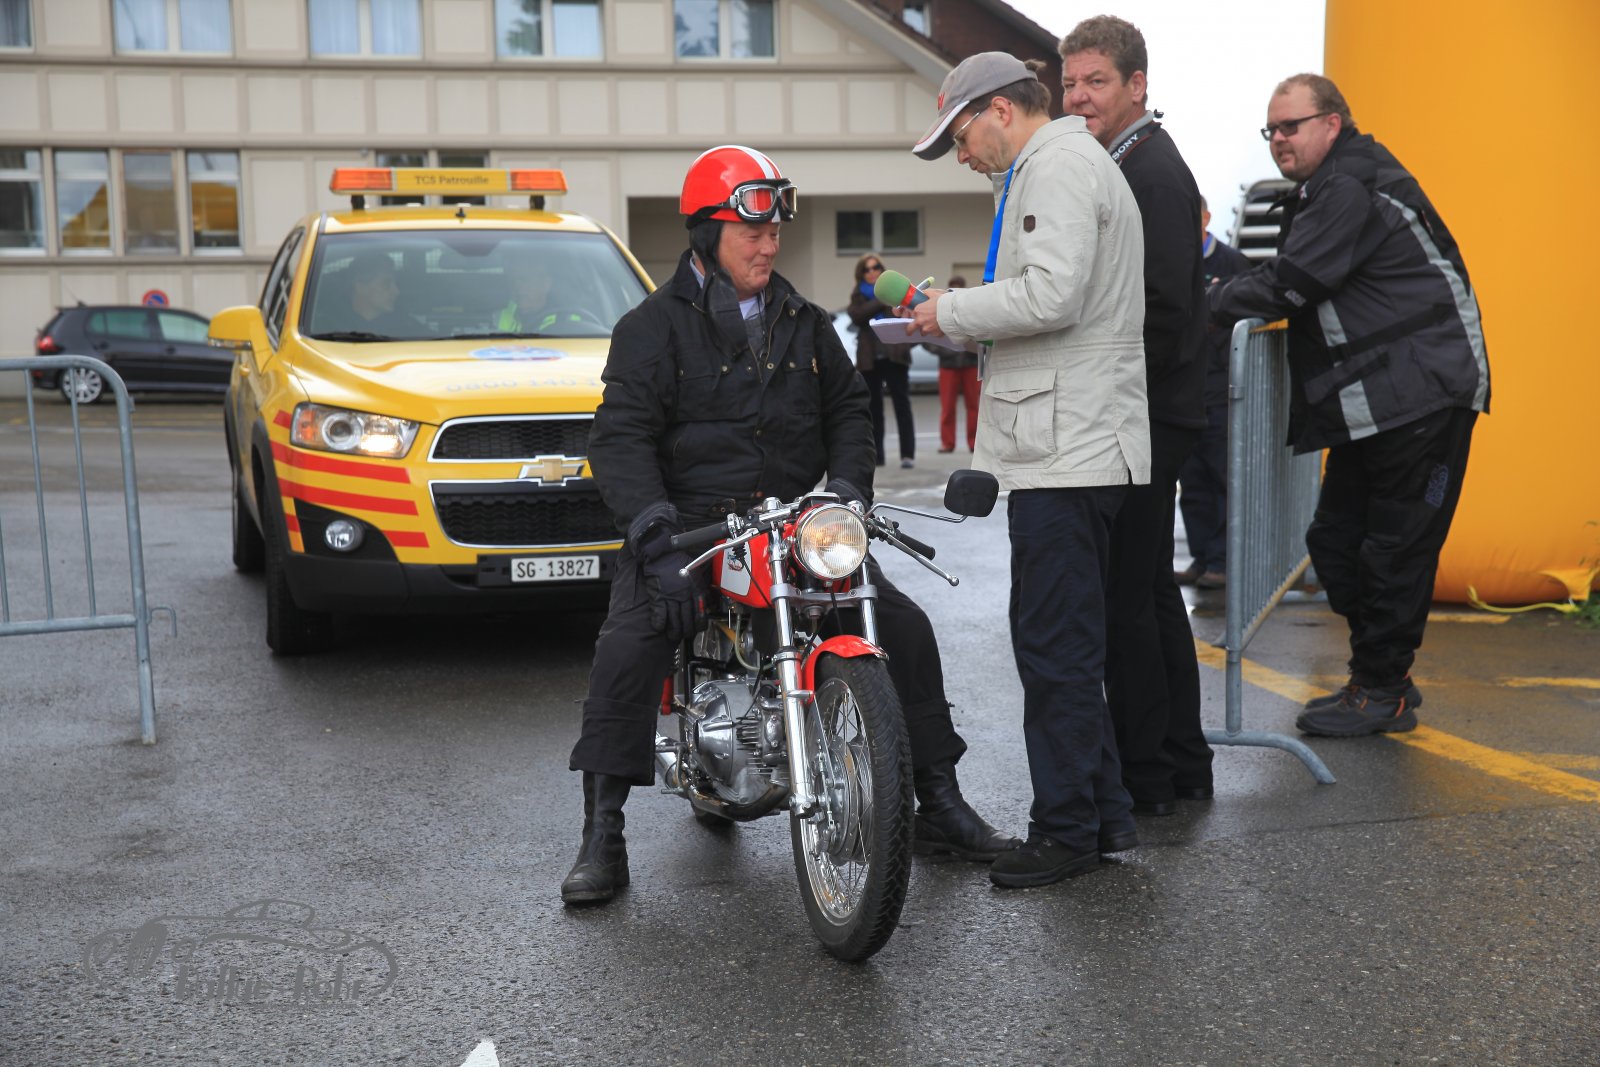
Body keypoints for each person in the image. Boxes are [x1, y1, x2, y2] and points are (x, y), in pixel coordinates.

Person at [560, 145, 1017, 906]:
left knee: (903, 625)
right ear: (708, 233)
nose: (768, 246)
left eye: (774, 233)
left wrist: (846, 493)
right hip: (690, 527)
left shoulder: (803, 322)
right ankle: (602, 833)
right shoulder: (651, 327)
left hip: (792, 520)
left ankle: (937, 801)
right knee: (631, 639)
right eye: (753, 233)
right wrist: (653, 535)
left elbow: (849, 412)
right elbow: (621, 439)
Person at [907, 53, 1149, 888]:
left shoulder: (1057, 167)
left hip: (1069, 451)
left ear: (1001, 110)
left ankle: (1065, 829)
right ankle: (1100, 814)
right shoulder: (1064, 164)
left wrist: (949, 311)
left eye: (961, 136)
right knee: (1065, 643)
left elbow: (1051, 295)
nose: (961, 156)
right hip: (1072, 444)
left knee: (1055, 650)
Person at [1209, 74, 1490, 737]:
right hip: (1379, 400)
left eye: (1292, 126)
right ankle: (1385, 678)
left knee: (1393, 551)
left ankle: (1380, 688)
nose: (1279, 139)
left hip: (1419, 394)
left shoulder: (1348, 183)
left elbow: (1294, 283)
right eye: (1271, 130)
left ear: (1332, 123)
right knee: (1335, 543)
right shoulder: (1329, 185)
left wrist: (1206, 300)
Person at [1060, 15, 1214, 814]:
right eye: (1070, 84)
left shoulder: (1149, 171)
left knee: (1126, 598)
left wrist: (1095, 381)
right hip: (1151, 410)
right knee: (1149, 592)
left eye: (1096, 82)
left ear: (1137, 85)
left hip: (1147, 413)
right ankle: (1180, 763)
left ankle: (1147, 773)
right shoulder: (1128, 160)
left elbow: (1160, 310)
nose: (1079, 97)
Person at [1176, 197, 1253, 590]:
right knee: (1192, 480)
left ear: (1207, 217)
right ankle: (1202, 557)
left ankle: (1222, 561)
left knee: (1223, 477)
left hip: (1222, 388)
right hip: (1185, 387)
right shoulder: (1173, 260)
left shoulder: (1233, 264)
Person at [847, 254, 917, 469]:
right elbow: (857, 315)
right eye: (866, 269)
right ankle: (877, 456)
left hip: (894, 356)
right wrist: (880, 300)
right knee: (873, 409)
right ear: (861, 273)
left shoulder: (894, 291)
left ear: (881, 269)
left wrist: (905, 345)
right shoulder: (858, 294)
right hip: (870, 360)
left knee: (902, 406)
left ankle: (907, 455)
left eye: (875, 267)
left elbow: (911, 317)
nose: (872, 272)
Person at [925, 275, 980, 453]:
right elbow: (927, 337)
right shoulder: (940, 309)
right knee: (947, 407)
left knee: (974, 405)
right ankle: (948, 443)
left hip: (970, 362)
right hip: (948, 364)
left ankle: (974, 442)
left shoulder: (970, 308)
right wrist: (942, 351)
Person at [497, 248, 590, 334]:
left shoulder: (569, 322)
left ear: (546, 284)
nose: (516, 286)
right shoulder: (500, 315)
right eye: (512, 280)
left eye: (524, 279)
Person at [339, 250, 418, 337]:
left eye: (395, 284)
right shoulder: (332, 326)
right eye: (386, 284)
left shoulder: (408, 327)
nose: (396, 291)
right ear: (361, 287)